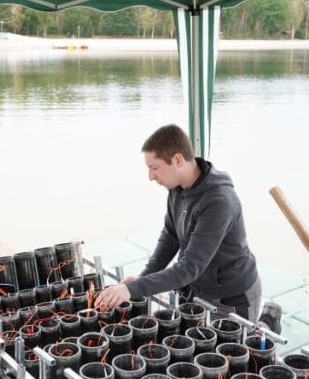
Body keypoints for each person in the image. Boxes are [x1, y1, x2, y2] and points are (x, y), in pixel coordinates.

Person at [96, 124, 279, 329]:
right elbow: (170, 235)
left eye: (154, 168)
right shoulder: (177, 187)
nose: (150, 176)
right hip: (197, 287)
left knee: (243, 349)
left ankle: (268, 320)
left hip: (231, 295)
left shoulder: (219, 201)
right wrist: (142, 278)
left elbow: (189, 267)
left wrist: (132, 290)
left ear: (177, 160)